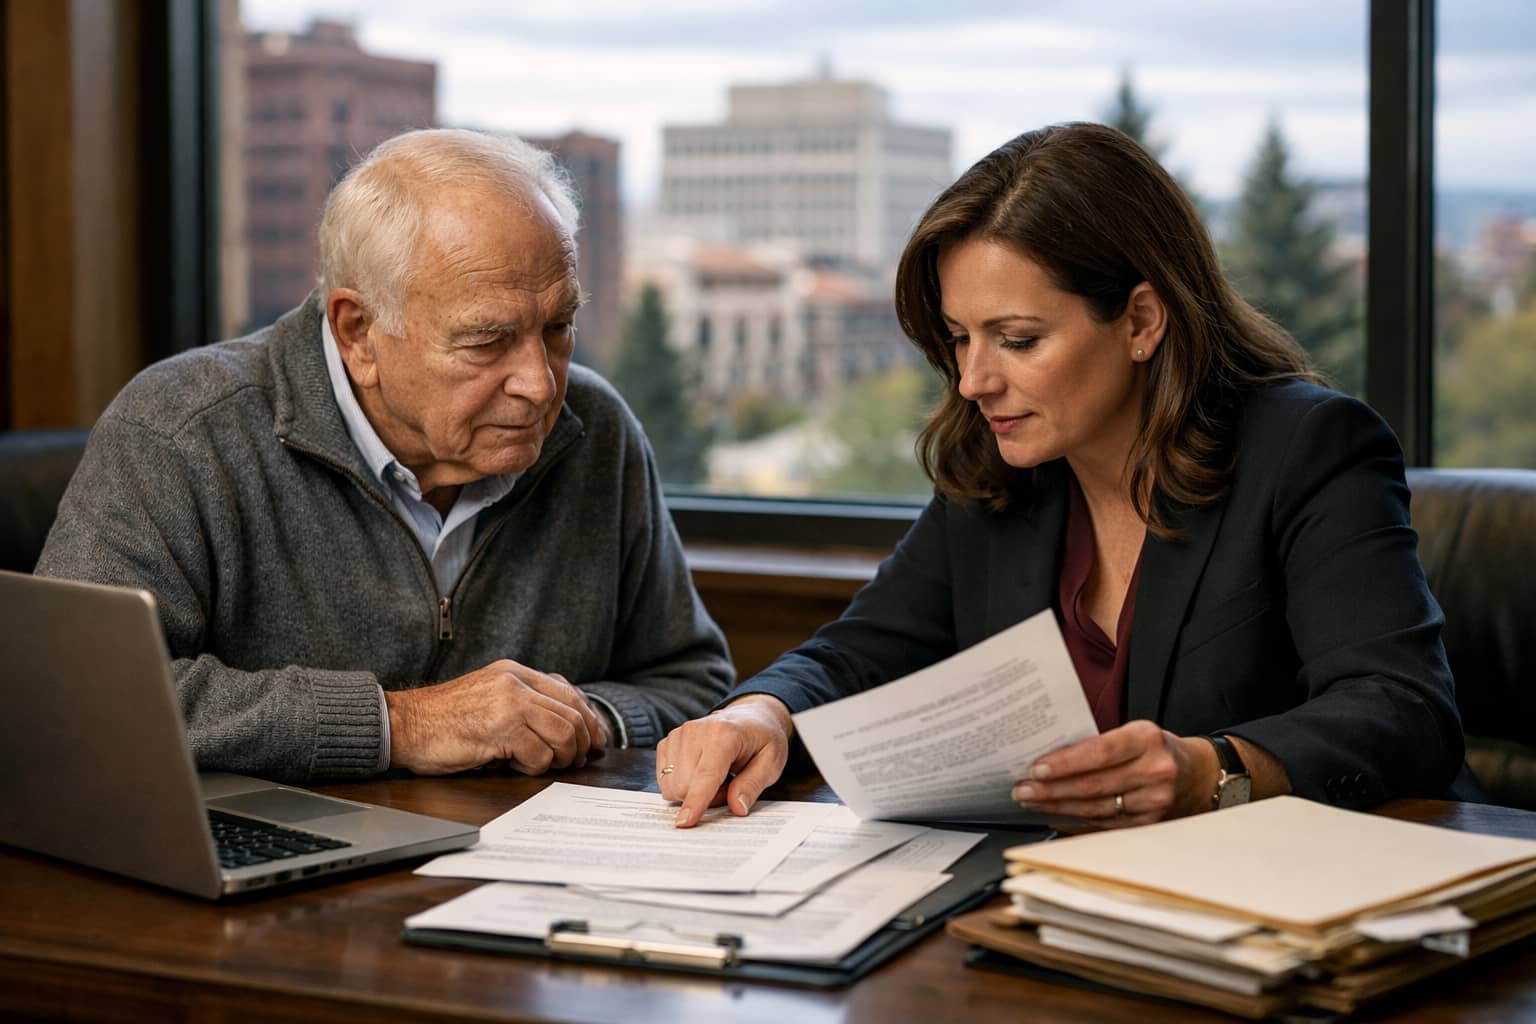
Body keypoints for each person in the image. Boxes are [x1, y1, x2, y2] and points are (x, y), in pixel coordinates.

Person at [658, 121, 1468, 829]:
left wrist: (1211, 771)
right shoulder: (1001, 471)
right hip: (1058, 913)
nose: (974, 381)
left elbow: (1400, 711)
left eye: (1016, 339)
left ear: (1142, 321)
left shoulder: (1310, 449)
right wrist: (758, 714)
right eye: (959, 338)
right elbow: (856, 652)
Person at [38, 128, 733, 783]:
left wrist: (580, 720)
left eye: (558, 327)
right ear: (358, 332)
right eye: (486, 341)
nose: (539, 383)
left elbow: (689, 680)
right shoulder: (182, 429)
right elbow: (80, 697)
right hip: (270, 877)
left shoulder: (595, 427)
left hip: (516, 875)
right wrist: (401, 725)